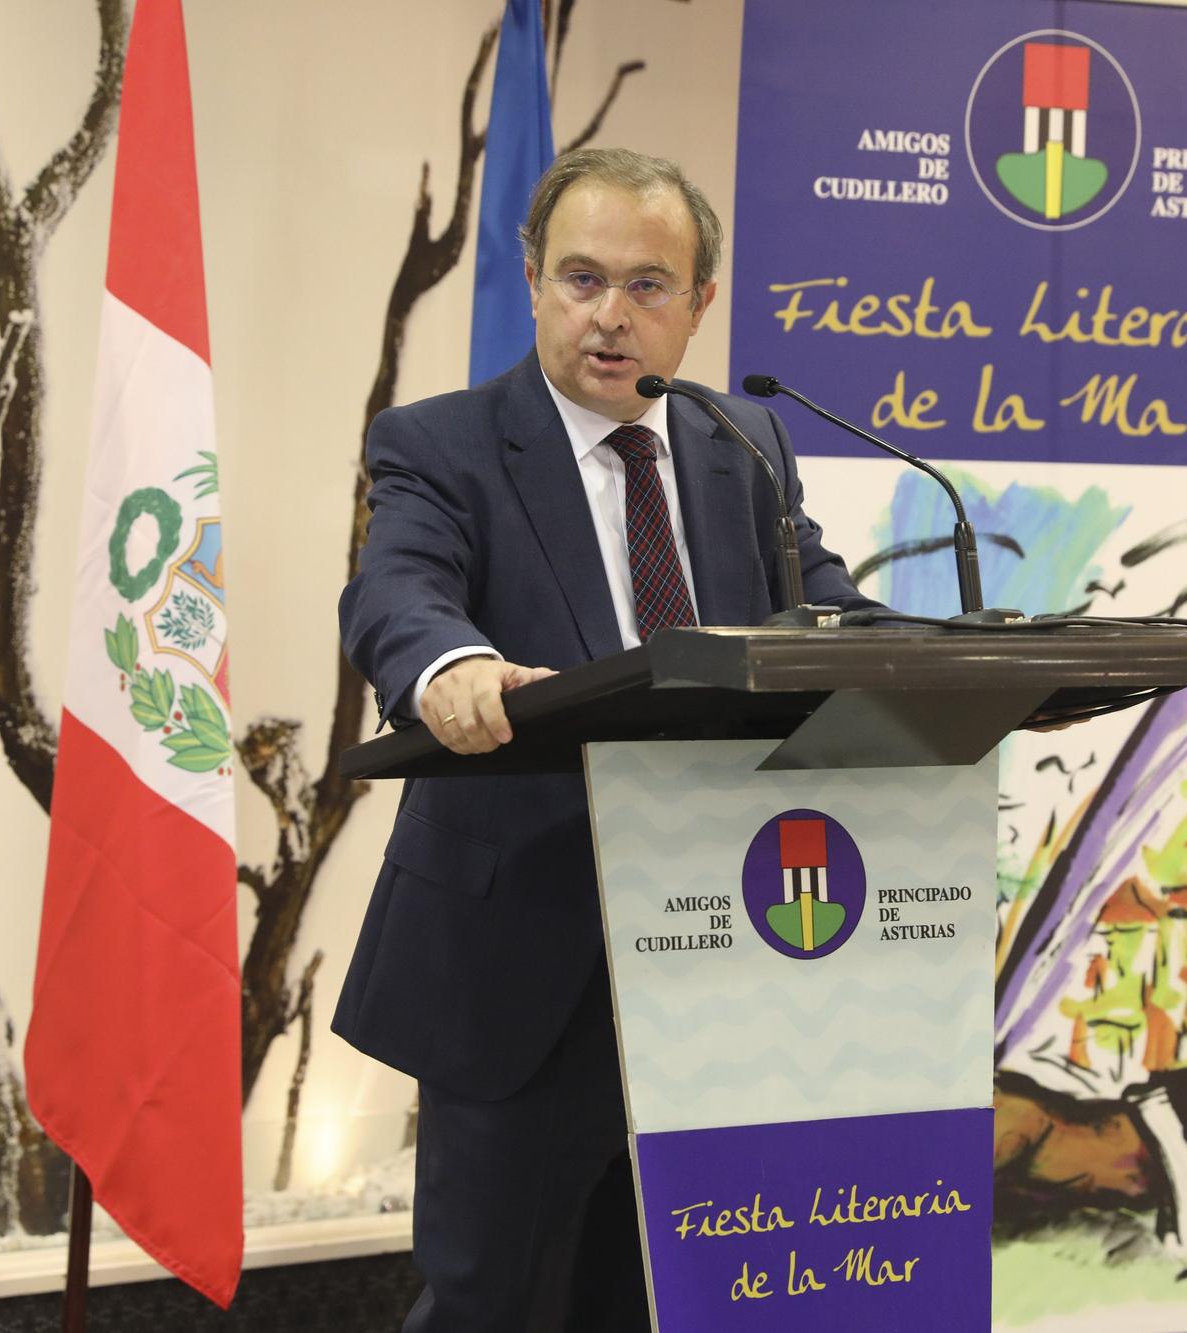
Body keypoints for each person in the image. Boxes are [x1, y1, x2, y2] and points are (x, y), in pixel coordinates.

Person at [332, 147, 876, 1331]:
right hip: (526, 952)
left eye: (646, 286)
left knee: (669, 1296)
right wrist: (449, 662)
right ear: (530, 281)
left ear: (699, 304)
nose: (609, 316)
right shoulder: (441, 444)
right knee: (496, 1302)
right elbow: (396, 591)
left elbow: (821, 602)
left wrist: (924, 655)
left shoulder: (742, 445)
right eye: (580, 279)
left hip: (725, 945)